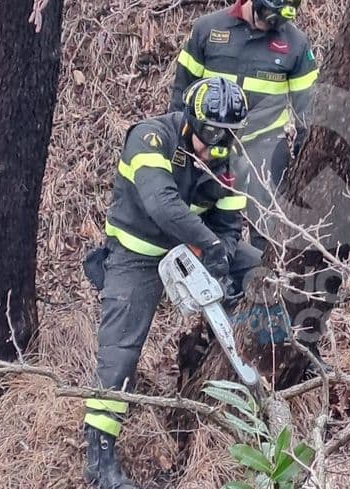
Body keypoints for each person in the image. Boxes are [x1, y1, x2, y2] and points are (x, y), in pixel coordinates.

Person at [82, 77, 261, 489]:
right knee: (120, 352)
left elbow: (229, 224)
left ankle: (268, 363)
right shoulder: (150, 138)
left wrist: (220, 260)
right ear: (192, 121)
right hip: (137, 253)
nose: (216, 146)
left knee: (260, 272)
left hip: (192, 245)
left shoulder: (230, 160)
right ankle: (100, 456)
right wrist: (208, 244)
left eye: (226, 136)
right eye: (211, 134)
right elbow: (161, 205)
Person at [169, 0, 318, 253]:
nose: (276, 22)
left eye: (284, 16)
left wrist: (306, 160)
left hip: (265, 147)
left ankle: (264, 276)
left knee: (269, 229)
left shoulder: (296, 45)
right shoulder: (209, 30)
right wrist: (178, 143)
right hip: (208, 142)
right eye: (272, 13)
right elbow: (181, 92)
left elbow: (309, 111)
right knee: (201, 220)